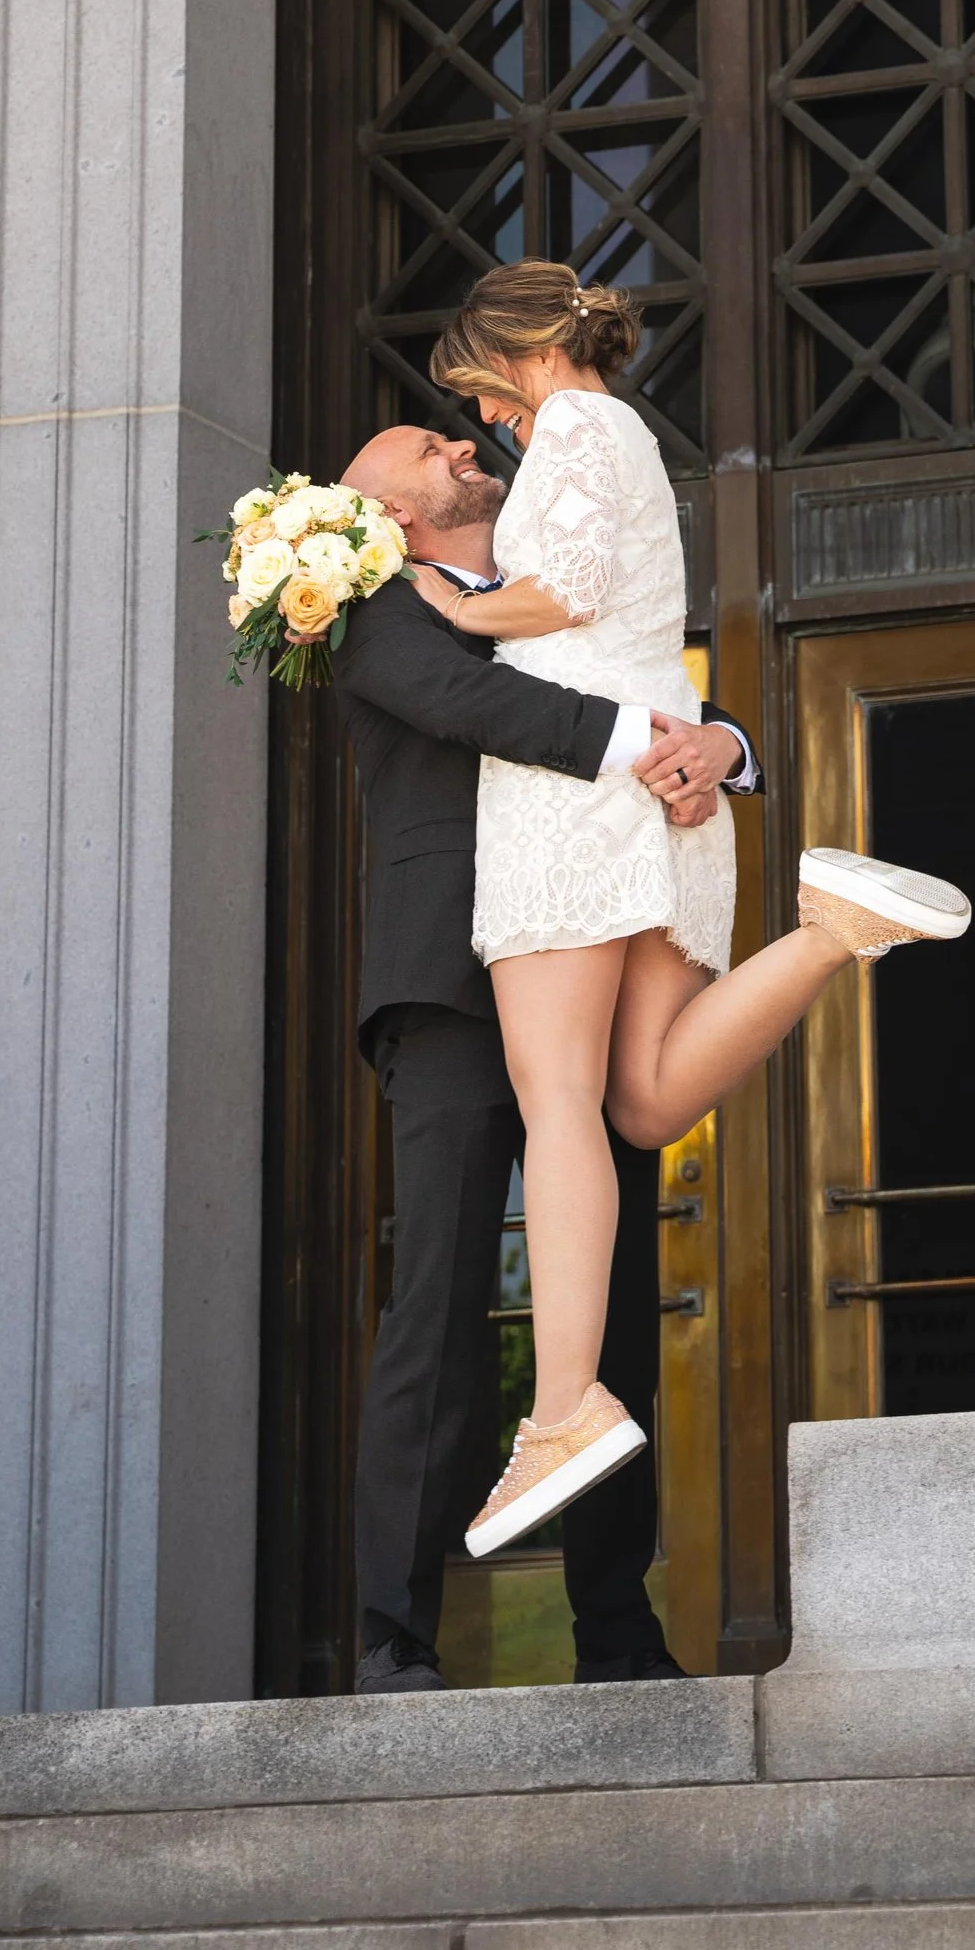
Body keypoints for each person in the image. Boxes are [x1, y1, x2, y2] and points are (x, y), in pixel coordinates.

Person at [416, 261, 970, 1556]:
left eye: (480, 393)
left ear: (515, 362)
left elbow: (556, 592)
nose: (490, 422)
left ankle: (561, 1407)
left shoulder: (575, 428)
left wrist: (439, 594)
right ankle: (830, 929)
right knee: (649, 1099)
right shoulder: (625, 436)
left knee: (557, 1098)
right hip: (666, 782)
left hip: (577, 794)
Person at [329, 415, 756, 1691]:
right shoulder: (370, 604)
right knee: (442, 1302)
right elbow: (467, 703)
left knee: (610, 1311)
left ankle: (616, 1634)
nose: (459, 440)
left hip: (583, 945)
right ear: (385, 507)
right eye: (421, 442)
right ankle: (393, 1636)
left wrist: (719, 745)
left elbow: (652, 676)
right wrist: (650, 748)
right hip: (454, 982)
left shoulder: (552, 585)